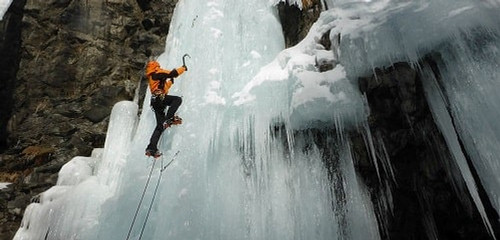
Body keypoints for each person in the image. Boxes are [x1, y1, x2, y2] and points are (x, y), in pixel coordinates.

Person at [145, 60, 187, 157]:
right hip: (160, 99)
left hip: (156, 102)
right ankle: (170, 118)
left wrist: (170, 82)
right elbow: (173, 73)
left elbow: (163, 88)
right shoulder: (157, 73)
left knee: (160, 127)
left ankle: (151, 148)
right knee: (177, 100)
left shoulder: (153, 77)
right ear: (156, 67)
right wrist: (183, 68)